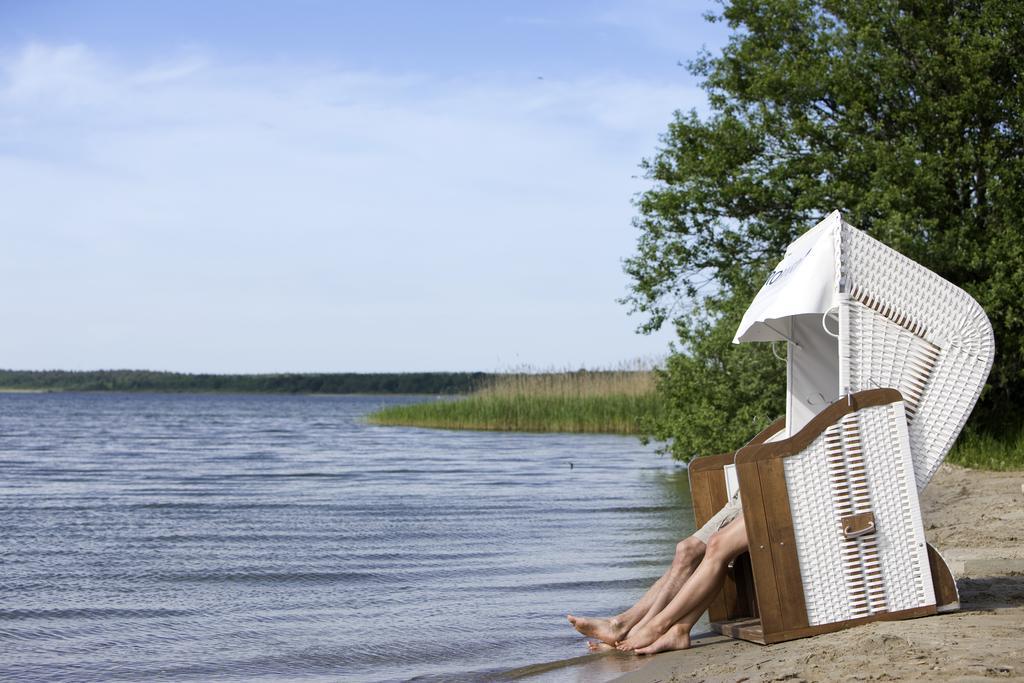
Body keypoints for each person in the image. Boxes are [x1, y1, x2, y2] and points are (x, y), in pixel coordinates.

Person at [566, 493, 749, 655]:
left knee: (717, 545)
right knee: (685, 550)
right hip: (747, 488)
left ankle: (654, 627)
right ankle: (624, 625)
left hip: (772, 479)